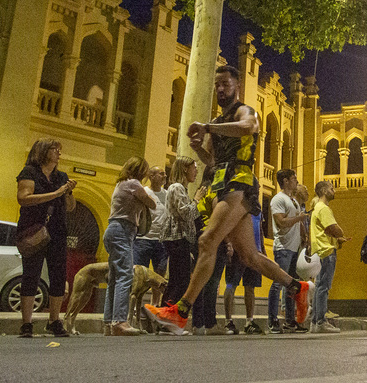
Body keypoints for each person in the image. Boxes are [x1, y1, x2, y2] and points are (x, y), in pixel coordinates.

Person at [145, 65, 308, 334]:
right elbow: (212, 162)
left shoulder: (245, 112)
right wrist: (200, 148)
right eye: (217, 85)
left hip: (240, 183)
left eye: (225, 84)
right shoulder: (217, 123)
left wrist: (208, 127)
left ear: (237, 86)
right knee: (250, 256)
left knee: (207, 240)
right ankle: (297, 288)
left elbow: (249, 127)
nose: (220, 89)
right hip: (223, 185)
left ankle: (180, 312)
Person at [14, 138, 76, 338]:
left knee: (58, 275)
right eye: (55, 149)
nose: (59, 153)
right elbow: (23, 198)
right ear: (42, 151)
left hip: (57, 230)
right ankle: (26, 323)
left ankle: (54, 320)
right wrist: (56, 192)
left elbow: (70, 207)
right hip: (33, 229)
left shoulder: (62, 176)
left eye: (59, 149)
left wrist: (68, 192)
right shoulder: (30, 172)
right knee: (31, 274)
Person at [104, 157, 157, 335]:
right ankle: (119, 321)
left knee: (114, 277)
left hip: (112, 229)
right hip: (122, 231)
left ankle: (108, 322)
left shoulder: (121, 184)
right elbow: (152, 203)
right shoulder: (133, 184)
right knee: (125, 276)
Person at [158, 157, 206, 316]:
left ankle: (164, 317)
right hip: (177, 238)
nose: (196, 171)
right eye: (194, 167)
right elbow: (186, 213)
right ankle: (169, 317)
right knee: (182, 281)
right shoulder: (177, 187)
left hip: (179, 238)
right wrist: (197, 200)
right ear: (185, 169)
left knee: (175, 280)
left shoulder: (180, 189)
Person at [268, 169, 308, 333]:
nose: (296, 182)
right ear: (284, 181)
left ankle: (290, 321)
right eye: (293, 179)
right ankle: (272, 321)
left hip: (294, 247)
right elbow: (281, 222)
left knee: (292, 286)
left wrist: (304, 237)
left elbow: (297, 223)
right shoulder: (278, 199)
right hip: (283, 247)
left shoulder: (293, 200)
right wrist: (300, 218)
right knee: (278, 283)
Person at [310, 180, 347, 333]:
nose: (334, 191)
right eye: (332, 188)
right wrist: (339, 233)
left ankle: (314, 322)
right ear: (324, 191)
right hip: (326, 252)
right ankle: (320, 322)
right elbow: (334, 228)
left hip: (319, 251)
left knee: (319, 287)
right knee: (323, 287)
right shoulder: (323, 208)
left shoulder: (317, 208)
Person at [224, 213, 266, 335]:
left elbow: (260, 230)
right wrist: (229, 243)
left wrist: (262, 249)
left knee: (250, 287)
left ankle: (249, 321)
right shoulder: (238, 203)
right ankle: (228, 321)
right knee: (231, 285)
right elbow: (228, 224)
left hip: (254, 252)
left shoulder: (257, 207)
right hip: (238, 250)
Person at [133, 165, 168, 299]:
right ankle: (135, 304)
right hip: (143, 240)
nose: (165, 176)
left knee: (159, 276)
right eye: (161, 174)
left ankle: (155, 305)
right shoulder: (144, 192)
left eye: (165, 174)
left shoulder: (167, 194)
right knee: (139, 275)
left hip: (161, 242)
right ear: (151, 176)